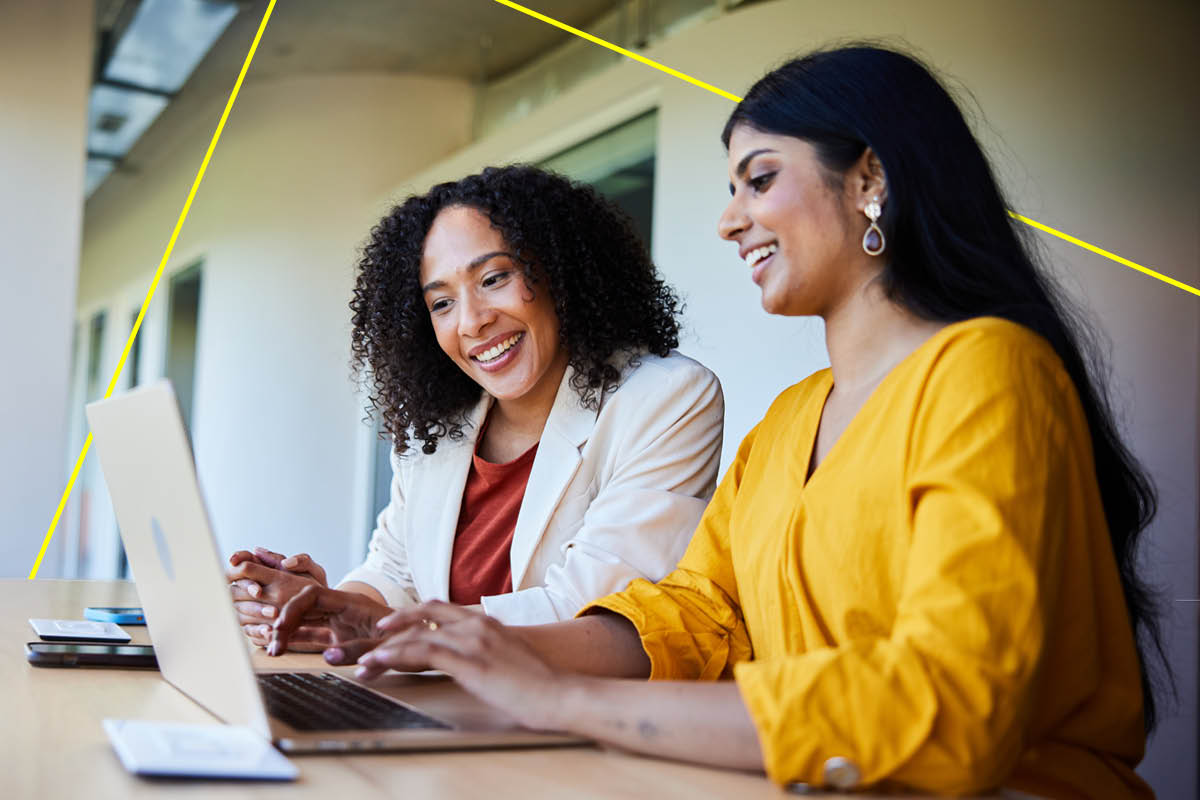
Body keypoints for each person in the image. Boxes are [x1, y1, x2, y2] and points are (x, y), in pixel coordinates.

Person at [271, 46, 1165, 797]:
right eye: (733, 188)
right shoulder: (789, 422)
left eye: (760, 179)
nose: (730, 219)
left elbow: (951, 705)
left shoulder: (987, 369)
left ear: (871, 179)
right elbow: (694, 618)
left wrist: (558, 698)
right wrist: (464, 641)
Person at [229, 165, 724, 650]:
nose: (472, 322)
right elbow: (393, 574)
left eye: (494, 278)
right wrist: (321, 606)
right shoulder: (441, 427)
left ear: (560, 272)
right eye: (441, 303)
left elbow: (596, 608)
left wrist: (382, 625)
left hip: (569, 718)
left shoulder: (668, 398)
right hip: (438, 705)